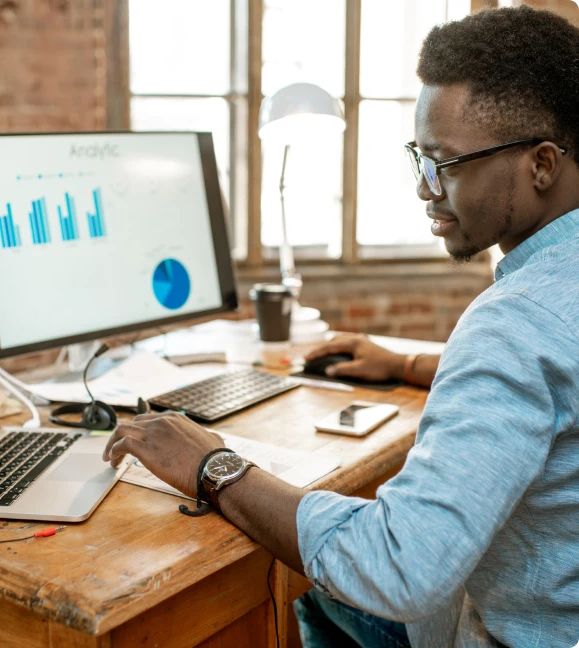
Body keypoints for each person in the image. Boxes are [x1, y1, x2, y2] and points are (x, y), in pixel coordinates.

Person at [104, 6, 579, 647]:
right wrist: (408, 365)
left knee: (315, 591)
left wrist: (213, 466)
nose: (423, 187)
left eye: (446, 163)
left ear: (542, 164)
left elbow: (398, 567)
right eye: (419, 156)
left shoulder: (512, 327)